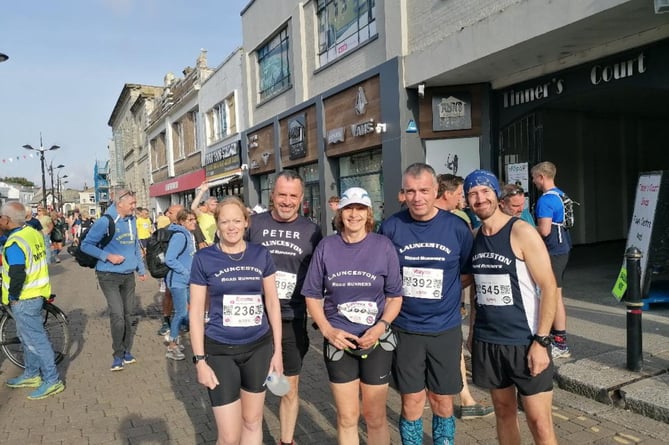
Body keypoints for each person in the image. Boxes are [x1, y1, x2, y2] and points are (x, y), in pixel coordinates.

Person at [379, 163, 474, 445]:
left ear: (436, 191)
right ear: (403, 194)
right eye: (410, 191)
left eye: (423, 190)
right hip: (405, 329)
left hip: (444, 329)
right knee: (411, 401)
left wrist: (446, 293)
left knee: (442, 401)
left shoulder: (457, 227)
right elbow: (383, 274)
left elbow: (467, 272)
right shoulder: (392, 227)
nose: (417, 197)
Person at [464, 169, 558, 445]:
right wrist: (472, 331)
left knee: (539, 423)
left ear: (496, 195)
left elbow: (549, 287)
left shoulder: (522, 232)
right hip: (489, 341)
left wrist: (541, 341)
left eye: (485, 192)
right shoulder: (474, 236)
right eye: (473, 194)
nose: (480, 198)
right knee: (504, 413)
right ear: (467, 201)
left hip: (525, 341)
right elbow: (476, 289)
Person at [303, 186, 402, 444]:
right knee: (347, 417)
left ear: (368, 213)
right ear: (340, 212)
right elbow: (312, 294)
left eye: (360, 209)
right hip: (339, 341)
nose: (354, 214)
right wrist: (327, 330)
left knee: (375, 416)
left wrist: (381, 326)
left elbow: (394, 296)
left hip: (376, 340)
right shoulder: (326, 247)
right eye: (349, 208)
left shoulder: (383, 246)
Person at [189, 196, 283, 445]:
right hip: (220, 351)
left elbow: (272, 303)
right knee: (229, 436)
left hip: (258, 348)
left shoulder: (260, 254)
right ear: (216, 225)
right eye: (225, 221)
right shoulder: (204, 259)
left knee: (252, 422)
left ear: (246, 223)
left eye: (236, 221)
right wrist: (199, 360)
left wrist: (278, 351)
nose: (231, 227)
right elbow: (196, 311)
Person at [246, 170, 323, 445]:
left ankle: (286, 441)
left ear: (301, 198)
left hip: (292, 317)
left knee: (288, 389)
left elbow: (321, 274)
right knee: (253, 388)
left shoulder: (313, 231)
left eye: (293, 196)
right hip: (253, 319)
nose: (287, 201)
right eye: (282, 195)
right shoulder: (253, 224)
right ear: (272, 196)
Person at [435, 173, 494, 420]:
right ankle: (464, 398)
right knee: (452, 347)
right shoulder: (458, 220)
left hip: (430, 303)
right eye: (461, 194)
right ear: (448, 194)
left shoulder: (413, 217)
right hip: (448, 300)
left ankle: (463, 397)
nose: (461, 199)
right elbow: (469, 269)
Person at [1, 201, 65, 400]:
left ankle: (52, 380)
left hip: (24, 298)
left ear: (7, 220)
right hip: (37, 292)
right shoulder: (32, 234)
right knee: (27, 338)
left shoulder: (14, 243)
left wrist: (13, 296)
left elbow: (18, 272)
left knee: (37, 341)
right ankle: (31, 374)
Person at [80, 189, 147, 371]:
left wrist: (141, 269)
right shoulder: (105, 221)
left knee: (128, 314)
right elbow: (86, 245)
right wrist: (108, 256)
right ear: (120, 203)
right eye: (132, 204)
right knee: (117, 314)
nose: (135, 207)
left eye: (135, 203)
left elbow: (135, 245)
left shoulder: (132, 220)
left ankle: (126, 350)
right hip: (108, 275)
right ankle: (117, 355)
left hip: (128, 275)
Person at [531, 161, 572, 359]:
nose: (533, 181)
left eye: (534, 177)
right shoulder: (561, 194)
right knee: (556, 294)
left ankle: (560, 343)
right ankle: (560, 339)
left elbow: (545, 230)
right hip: (563, 247)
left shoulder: (545, 200)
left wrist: (526, 230)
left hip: (553, 251)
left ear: (541, 177)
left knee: (552, 295)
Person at [164, 209, 197, 360]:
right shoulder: (180, 236)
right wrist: (185, 272)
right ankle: (172, 346)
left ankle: (175, 337)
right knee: (181, 313)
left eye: (194, 219)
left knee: (191, 310)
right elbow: (169, 258)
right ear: (182, 222)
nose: (194, 222)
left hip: (188, 280)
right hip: (177, 280)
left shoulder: (189, 235)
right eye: (190, 220)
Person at [156, 204, 184, 335]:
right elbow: (158, 252)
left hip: (187, 268)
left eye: (172, 212)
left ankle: (185, 320)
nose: (168, 215)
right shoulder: (165, 230)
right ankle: (166, 320)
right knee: (168, 294)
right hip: (169, 269)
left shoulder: (190, 227)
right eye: (170, 212)